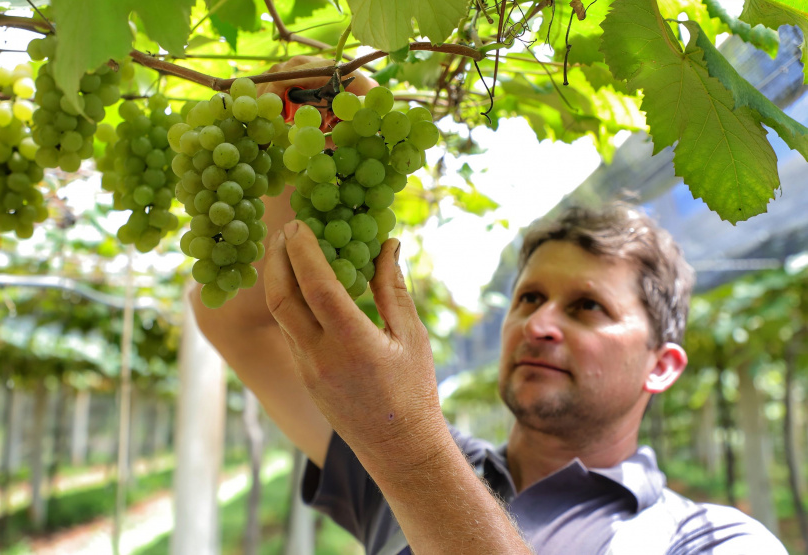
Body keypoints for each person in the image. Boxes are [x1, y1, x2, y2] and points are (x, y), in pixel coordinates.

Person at [193, 58, 786, 554]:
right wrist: (311, 123)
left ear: (663, 364)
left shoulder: (711, 540)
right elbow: (240, 323)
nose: (541, 323)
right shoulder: (394, 465)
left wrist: (409, 449)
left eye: (587, 308)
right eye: (529, 297)